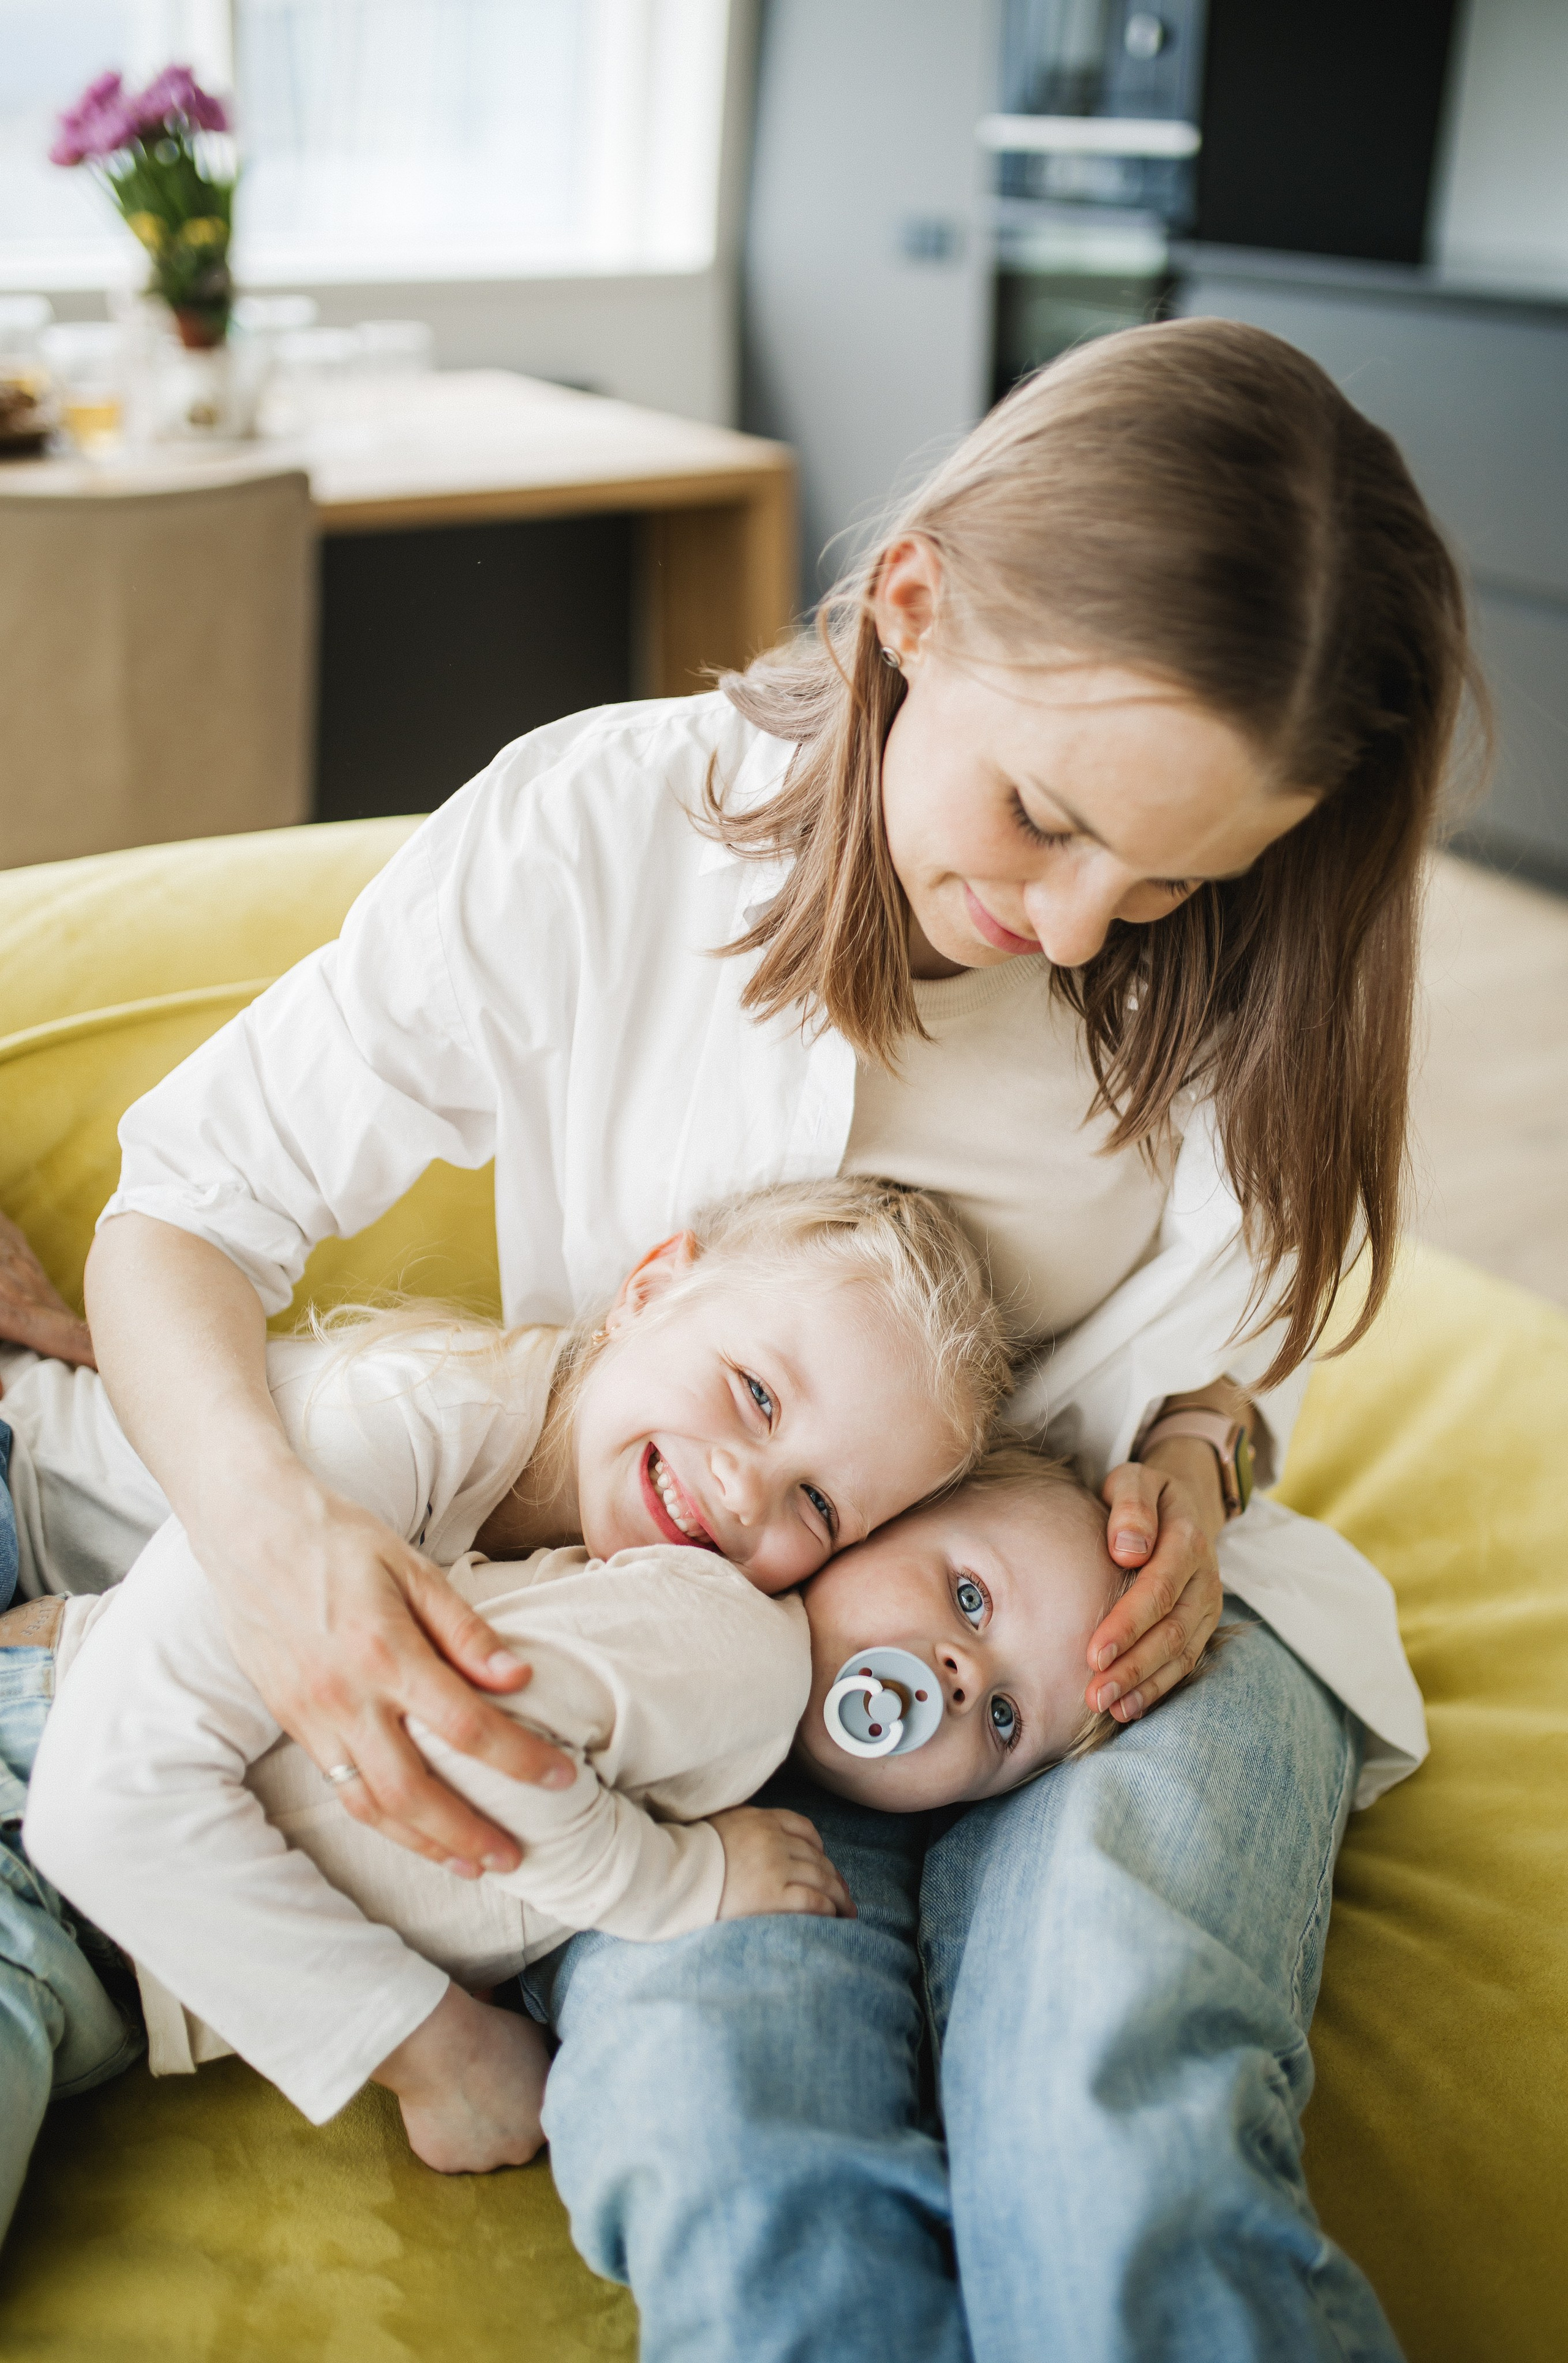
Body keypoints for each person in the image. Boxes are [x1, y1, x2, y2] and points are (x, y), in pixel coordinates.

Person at [79, 318, 1468, 2359]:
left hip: (1099, 1646)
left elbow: (1227, 1356)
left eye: (1177, 877)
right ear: (915, 601)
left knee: (1118, 2117)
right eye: (1047, 818)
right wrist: (277, 1545)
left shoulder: (1242, 965)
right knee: (733, 2140)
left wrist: (1195, 1462)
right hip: (696, 1665)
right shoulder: (600, 839)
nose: (1088, 926)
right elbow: (177, 1208)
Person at [3, 1172, 1010, 2239]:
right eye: (757, 1394)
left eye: (819, 1502)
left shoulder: (639, 1600)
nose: (744, 1491)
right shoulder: (412, 1415)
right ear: (650, 1287)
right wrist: (439, 2050)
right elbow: (101, 1804)